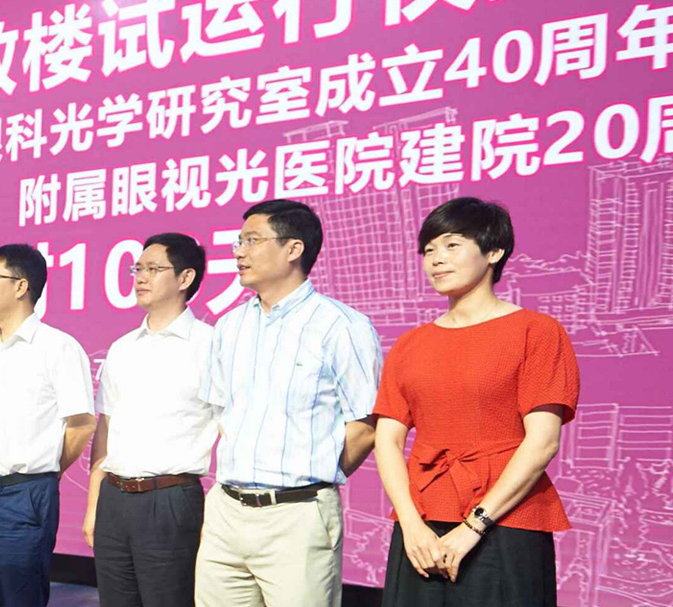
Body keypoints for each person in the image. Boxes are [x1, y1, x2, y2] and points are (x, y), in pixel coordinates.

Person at [373, 198, 579, 607]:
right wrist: (411, 525)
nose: (436, 259)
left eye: (452, 245)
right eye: (428, 249)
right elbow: (387, 440)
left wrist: (473, 527)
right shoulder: (410, 344)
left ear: (494, 252)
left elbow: (543, 442)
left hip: (505, 523)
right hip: (422, 528)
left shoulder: (536, 331)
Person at [196, 199, 381, 607]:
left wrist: (313, 474)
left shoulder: (341, 326)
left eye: (252, 240)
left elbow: (366, 425)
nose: (239, 252)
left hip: (298, 513)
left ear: (294, 248)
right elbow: (224, 413)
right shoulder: (228, 326)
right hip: (226, 510)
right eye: (238, 242)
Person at [0, 243, 96, 607]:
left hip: (23, 497)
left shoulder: (57, 347)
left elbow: (81, 425)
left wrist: (47, 472)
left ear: (21, 286)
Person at [85, 234, 214, 607]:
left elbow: (230, 428)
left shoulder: (209, 345)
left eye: (153, 269)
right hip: (113, 498)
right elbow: (105, 427)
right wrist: (94, 505)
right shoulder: (123, 347)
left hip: (171, 498)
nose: (140, 277)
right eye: (137, 268)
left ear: (185, 278)